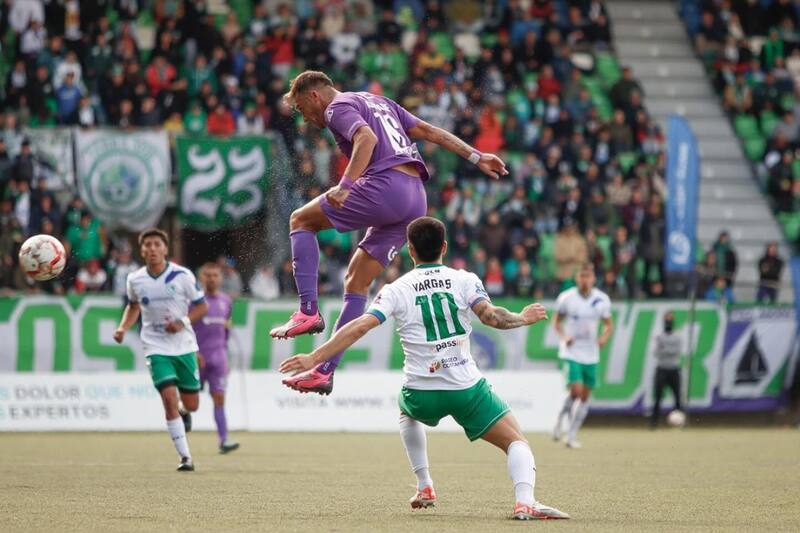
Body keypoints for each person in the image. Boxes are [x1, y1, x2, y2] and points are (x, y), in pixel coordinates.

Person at [279, 217, 568, 520]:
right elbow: (492, 317)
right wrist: (522, 317)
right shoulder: (464, 279)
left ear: (410, 249)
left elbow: (361, 326)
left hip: (421, 391)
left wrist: (316, 357)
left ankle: (425, 484)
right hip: (465, 388)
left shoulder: (396, 289)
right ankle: (525, 502)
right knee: (516, 441)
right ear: (444, 247)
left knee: (407, 412)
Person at [275, 71, 508, 395]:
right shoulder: (379, 102)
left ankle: (308, 311)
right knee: (356, 281)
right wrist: (476, 156)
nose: (305, 117)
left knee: (301, 220)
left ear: (314, 95)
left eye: (302, 108)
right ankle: (323, 372)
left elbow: (366, 138)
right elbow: (428, 131)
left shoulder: (336, 107)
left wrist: (346, 185)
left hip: (386, 186)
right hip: (415, 198)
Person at [113, 229, 208, 472]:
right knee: (168, 399)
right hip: (155, 345)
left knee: (192, 404)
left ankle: (185, 411)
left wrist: (182, 322)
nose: (152, 248)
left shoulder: (182, 276)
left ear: (165, 249)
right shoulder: (135, 279)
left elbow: (201, 307)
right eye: (148, 245)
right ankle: (185, 457)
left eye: (157, 244)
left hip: (184, 346)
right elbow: (133, 306)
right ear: (142, 250)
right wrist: (123, 327)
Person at [552, 263, 613, 449]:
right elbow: (556, 322)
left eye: (588, 276)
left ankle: (571, 436)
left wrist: (603, 337)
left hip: (591, 353)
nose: (585, 280)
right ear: (577, 278)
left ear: (593, 278)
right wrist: (564, 337)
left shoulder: (602, 299)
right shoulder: (566, 298)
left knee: (585, 397)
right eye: (581, 276)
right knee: (576, 391)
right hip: (572, 351)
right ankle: (559, 423)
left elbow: (608, 324)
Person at [193, 262, 239, 454]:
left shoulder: (226, 301)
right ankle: (181, 422)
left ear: (220, 278)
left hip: (218, 358)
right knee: (189, 401)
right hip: (196, 358)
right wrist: (192, 352)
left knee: (219, 397)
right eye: (208, 275)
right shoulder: (194, 301)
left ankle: (224, 439)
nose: (211, 278)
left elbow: (225, 329)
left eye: (215, 275)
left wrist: (224, 355)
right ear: (201, 278)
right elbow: (185, 328)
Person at [650, 311, 683, 428]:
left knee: (677, 397)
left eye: (670, 320)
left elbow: (677, 352)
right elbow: (656, 352)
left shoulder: (677, 336)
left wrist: (664, 349)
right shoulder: (659, 336)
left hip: (674, 369)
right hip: (662, 369)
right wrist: (666, 350)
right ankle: (654, 422)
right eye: (666, 320)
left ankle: (680, 422)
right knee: (658, 397)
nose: (668, 322)